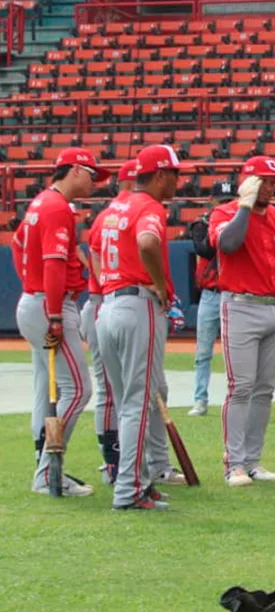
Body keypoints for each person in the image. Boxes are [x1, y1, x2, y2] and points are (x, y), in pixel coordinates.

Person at [13, 148, 106, 497]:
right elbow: (52, 263)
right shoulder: (56, 208)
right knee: (79, 389)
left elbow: (18, 245)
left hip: (34, 301)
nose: (94, 181)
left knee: (45, 391)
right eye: (91, 174)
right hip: (49, 305)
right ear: (75, 171)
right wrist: (53, 313)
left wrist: (29, 285)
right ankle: (47, 471)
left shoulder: (40, 203)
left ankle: (47, 469)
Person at [96, 144, 183, 510]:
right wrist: (161, 287)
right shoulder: (149, 206)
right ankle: (129, 491)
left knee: (127, 402)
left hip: (108, 305)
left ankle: (140, 482)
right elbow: (147, 242)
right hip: (137, 305)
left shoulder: (114, 208)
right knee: (137, 404)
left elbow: (96, 252)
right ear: (160, 174)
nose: (178, 181)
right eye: (176, 174)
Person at [209, 156, 275, 487]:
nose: (271, 187)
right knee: (241, 387)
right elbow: (228, 243)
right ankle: (233, 462)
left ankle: (252, 460)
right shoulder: (226, 213)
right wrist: (245, 207)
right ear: (247, 181)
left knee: (265, 390)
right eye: (264, 180)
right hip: (241, 304)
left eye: (274, 181)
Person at [82, 159, 136, 484]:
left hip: (106, 303)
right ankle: (113, 461)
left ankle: (124, 460)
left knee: (121, 389)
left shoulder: (106, 217)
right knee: (111, 389)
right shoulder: (116, 216)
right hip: (105, 303)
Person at [187, 180, 235, 417]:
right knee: (203, 351)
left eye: (229, 200)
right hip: (210, 294)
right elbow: (203, 248)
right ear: (212, 201)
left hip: (232, 292)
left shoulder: (240, 223)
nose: (225, 204)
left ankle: (235, 399)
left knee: (235, 352)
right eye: (222, 200)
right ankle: (200, 400)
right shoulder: (202, 224)